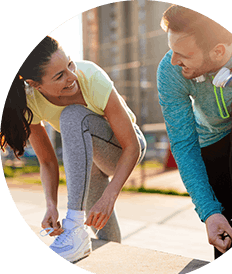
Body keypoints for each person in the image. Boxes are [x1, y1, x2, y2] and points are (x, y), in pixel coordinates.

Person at [0, 36, 146, 262]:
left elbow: (132, 146)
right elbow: (47, 161)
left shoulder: (92, 77)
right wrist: (51, 205)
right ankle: (106, 259)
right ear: (36, 85)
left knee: (72, 115)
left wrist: (110, 196)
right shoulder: (32, 102)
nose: (72, 76)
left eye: (69, 64)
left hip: (125, 148)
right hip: (91, 164)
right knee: (105, 237)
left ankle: (74, 224)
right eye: (60, 76)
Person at [157, 5, 232, 259]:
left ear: (218, 51)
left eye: (181, 53)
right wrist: (209, 212)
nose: (172, 60)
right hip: (213, 142)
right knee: (226, 236)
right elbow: (184, 145)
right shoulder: (170, 71)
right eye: (171, 49)